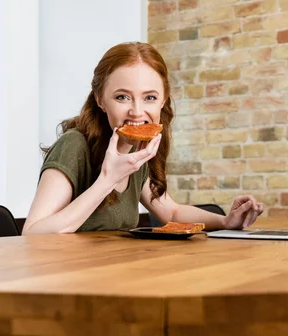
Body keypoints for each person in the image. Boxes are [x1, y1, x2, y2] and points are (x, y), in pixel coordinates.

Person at [22, 42, 264, 234]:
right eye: (122, 97)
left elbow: (173, 213)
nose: (137, 112)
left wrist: (225, 221)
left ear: (164, 99)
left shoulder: (137, 150)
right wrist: (108, 179)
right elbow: (33, 234)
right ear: (100, 99)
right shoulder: (74, 146)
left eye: (149, 98)